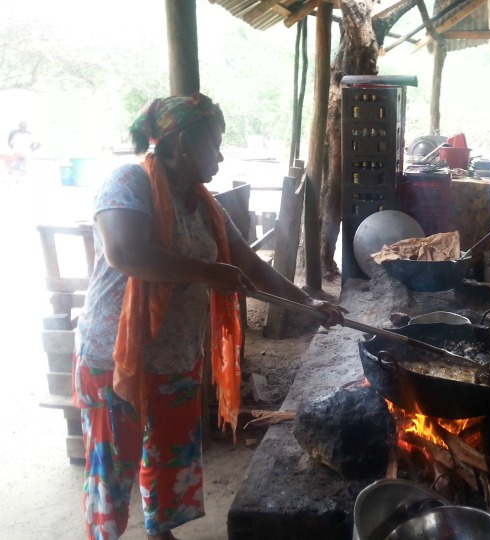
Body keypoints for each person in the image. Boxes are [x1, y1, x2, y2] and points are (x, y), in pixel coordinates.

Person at [72, 93, 346, 540]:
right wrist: (207, 272)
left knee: (170, 454)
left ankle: (161, 533)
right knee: (112, 462)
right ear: (182, 142)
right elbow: (126, 253)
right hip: (116, 353)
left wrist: (310, 304)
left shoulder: (205, 205)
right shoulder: (128, 182)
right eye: (215, 143)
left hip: (177, 354)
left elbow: (253, 269)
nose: (220, 154)